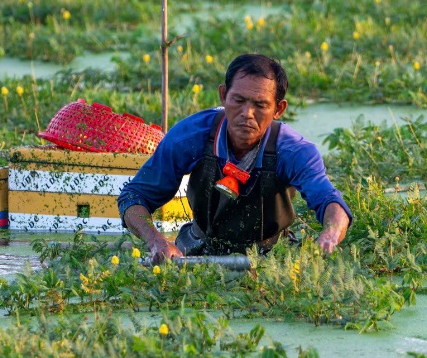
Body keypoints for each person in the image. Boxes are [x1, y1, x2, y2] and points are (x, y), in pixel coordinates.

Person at [118, 53, 352, 262]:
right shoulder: (189, 136)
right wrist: (156, 241)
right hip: (197, 251)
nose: (247, 114)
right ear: (223, 95)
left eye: (260, 105)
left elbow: (329, 200)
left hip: (272, 257)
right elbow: (134, 196)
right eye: (238, 100)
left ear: (279, 109)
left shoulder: (295, 151)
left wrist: (330, 235)